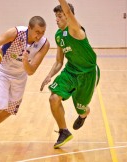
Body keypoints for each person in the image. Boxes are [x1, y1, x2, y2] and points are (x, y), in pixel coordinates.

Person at [0, 16, 50, 146]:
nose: (39, 36)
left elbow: (31, 71)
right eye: (37, 32)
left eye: (42, 32)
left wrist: (25, 62)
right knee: (0, 104)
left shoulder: (44, 44)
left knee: (10, 110)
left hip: (20, 76)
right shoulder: (16, 33)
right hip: (2, 71)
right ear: (29, 29)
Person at [40, 0, 100, 149]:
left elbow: (67, 10)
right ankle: (64, 131)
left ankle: (83, 114)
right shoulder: (59, 36)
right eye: (56, 16)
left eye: (60, 16)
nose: (57, 19)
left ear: (68, 16)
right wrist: (49, 75)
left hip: (88, 74)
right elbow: (59, 62)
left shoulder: (76, 30)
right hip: (70, 71)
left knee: (81, 107)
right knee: (54, 97)